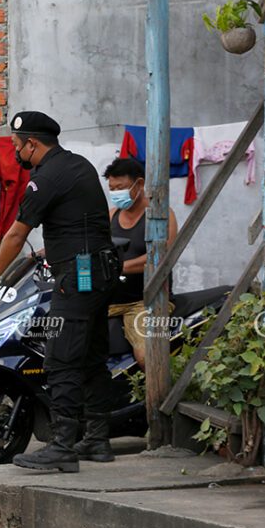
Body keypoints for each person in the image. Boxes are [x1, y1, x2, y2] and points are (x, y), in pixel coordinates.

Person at [0, 111, 121, 471]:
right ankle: (97, 440)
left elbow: (15, 234)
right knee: (91, 355)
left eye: (16, 146)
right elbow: (85, 217)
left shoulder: (46, 178)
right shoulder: (78, 165)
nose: (14, 153)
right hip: (95, 270)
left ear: (33, 144)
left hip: (78, 274)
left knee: (60, 358)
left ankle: (62, 447)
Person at [103, 157, 178, 370]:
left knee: (147, 355)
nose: (116, 193)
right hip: (109, 300)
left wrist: (119, 267)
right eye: (112, 188)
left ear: (140, 184)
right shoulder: (110, 217)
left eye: (121, 187)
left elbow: (163, 258)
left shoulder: (161, 215)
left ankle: (157, 400)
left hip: (144, 302)